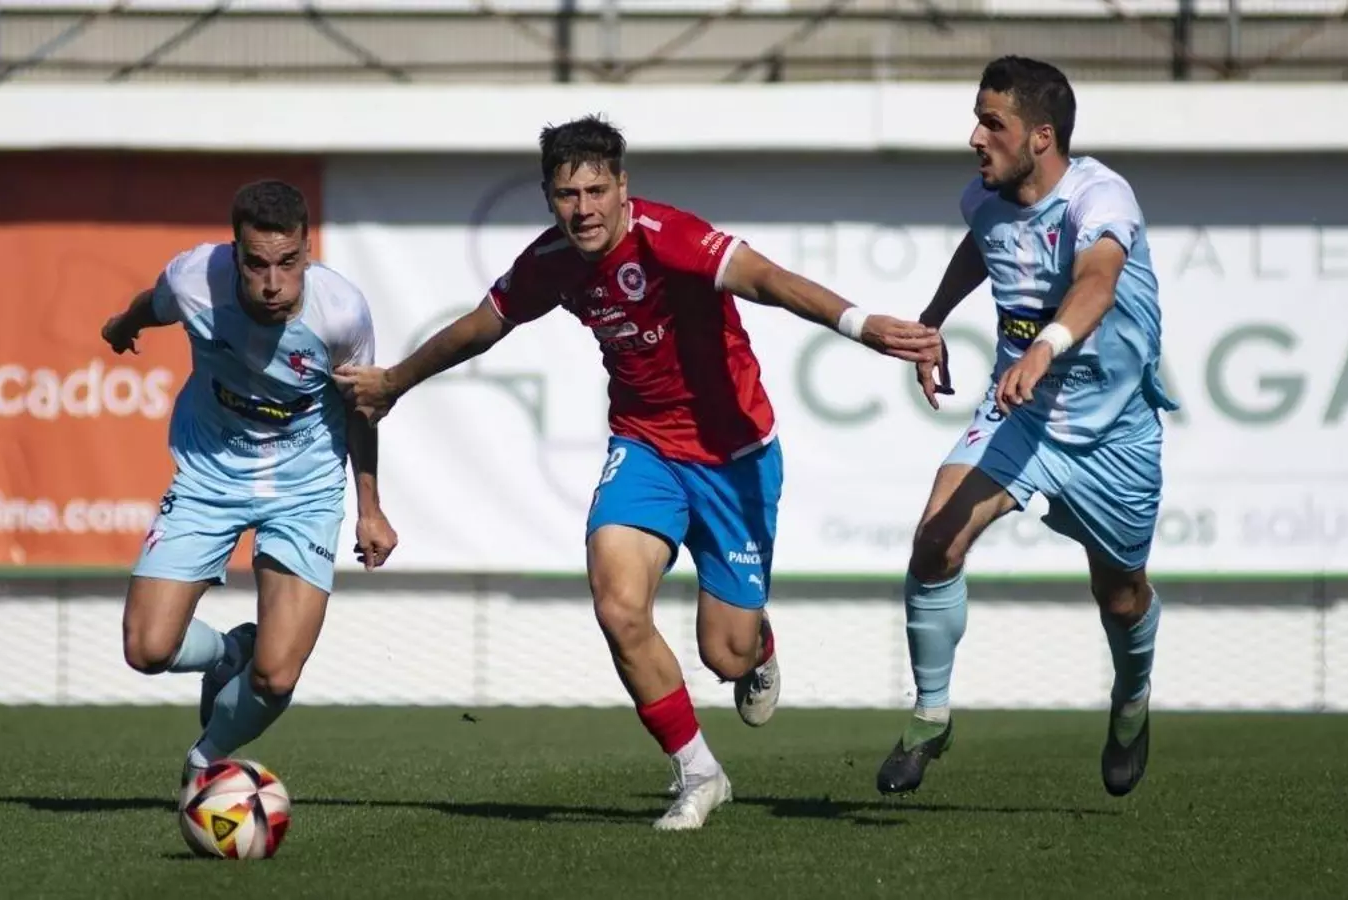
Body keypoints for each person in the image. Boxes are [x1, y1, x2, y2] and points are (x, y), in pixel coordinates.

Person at [333, 115, 941, 830]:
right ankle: (699, 774)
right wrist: (396, 381)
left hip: (735, 457)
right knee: (618, 604)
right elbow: (481, 326)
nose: (583, 209)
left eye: (596, 191)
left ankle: (757, 645)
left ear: (623, 187)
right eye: (567, 195)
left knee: (726, 653)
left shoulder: (670, 236)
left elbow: (768, 280)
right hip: (644, 447)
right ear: (548, 197)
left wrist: (862, 325)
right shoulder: (551, 260)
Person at [876, 56, 1178, 800]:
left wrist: (1044, 347)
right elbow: (982, 244)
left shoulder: (1099, 197)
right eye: (977, 119)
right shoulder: (984, 198)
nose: (975, 138)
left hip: (1114, 433)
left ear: (1041, 136)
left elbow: (1097, 281)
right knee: (936, 540)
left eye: (993, 123)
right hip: (1021, 413)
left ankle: (1132, 696)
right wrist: (932, 320)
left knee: (1121, 595)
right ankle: (931, 715)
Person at [100, 179, 398, 787]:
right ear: (234, 252)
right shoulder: (194, 280)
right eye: (256, 264)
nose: (272, 283)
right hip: (209, 474)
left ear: (307, 251)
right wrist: (123, 324)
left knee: (276, 674)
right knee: (147, 649)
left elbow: (361, 409)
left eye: (287, 263)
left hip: (306, 488)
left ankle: (204, 764)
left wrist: (370, 508)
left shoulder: (342, 313)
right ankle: (228, 652)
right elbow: (154, 304)